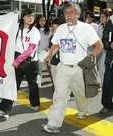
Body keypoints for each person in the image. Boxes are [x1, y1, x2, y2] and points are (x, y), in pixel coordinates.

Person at [42, 3, 103, 133]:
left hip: (79, 69)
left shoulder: (86, 28)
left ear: (77, 14)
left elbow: (99, 45)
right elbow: (55, 45)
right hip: (63, 68)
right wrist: (49, 56)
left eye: (71, 12)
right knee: (59, 96)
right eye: (66, 13)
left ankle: (82, 110)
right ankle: (53, 124)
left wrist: (92, 56)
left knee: (80, 94)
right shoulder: (61, 28)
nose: (68, 15)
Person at [0, 8, 41, 119]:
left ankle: (35, 104)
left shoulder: (35, 31)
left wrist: (17, 61)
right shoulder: (17, 28)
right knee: (13, 85)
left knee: (32, 84)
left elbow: (31, 49)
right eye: (28, 16)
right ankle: (3, 109)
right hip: (17, 59)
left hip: (31, 62)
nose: (30, 18)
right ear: (23, 17)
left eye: (32, 16)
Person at [99, 11, 113, 114]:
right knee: (108, 82)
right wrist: (109, 45)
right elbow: (104, 42)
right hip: (110, 60)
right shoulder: (108, 26)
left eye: (103, 17)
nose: (101, 19)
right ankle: (106, 105)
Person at [36, 15, 50, 87]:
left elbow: (51, 40)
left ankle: (53, 82)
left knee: (50, 68)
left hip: (47, 51)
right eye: (41, 20)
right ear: (38, 21)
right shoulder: (35, 30)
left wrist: (49, 47)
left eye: (44, 20)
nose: (42, 22)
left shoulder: (48, 30)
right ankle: (39, 80)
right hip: (39, 52)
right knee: (40, 67)